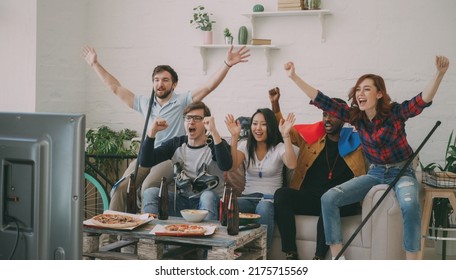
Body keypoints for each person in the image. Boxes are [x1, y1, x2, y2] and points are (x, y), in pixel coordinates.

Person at [284, 56, 450, 260]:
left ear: (380, 93)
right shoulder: (357, 117)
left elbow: (421, 100)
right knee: (328, 198)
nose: (360, 93)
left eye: (367, 89)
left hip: (402, 172)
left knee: (410, 205)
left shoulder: (395, 114)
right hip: (376, 172)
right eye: (358, 89)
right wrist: (294, 77)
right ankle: (338, 259)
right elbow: (323, 100)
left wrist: (439, 74)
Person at [82, 45, 250, 212]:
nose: (160, 84)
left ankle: (145, 233)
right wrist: (95, 64)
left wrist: (226, 64)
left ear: (174, 84)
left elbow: (208, 87)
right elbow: (116, 88)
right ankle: (109, 237)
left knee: (148, 188)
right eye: (156, 80)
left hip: (168, 158)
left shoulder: (183, 102)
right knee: (119, 189)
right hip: (149, 155)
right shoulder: (145, 104)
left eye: (165, 80)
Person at [269, 87, 367, 260]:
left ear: (344, 118)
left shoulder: (358, 142)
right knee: (282, 195)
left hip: (341, 201)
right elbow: (286, 131)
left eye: (333, 115)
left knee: (328, 201)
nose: (327, 119)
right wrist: (275, 105)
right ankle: (291, 254)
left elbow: (378, 142)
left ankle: (318, 258)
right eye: (325, 115)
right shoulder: (312, 138)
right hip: (311, 197)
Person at [140, 102, 232, 220]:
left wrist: (214, 132)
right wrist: (152, 133)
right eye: (188, 118)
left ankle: (209, 234)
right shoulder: (176, 144)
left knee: (207, 196)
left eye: (197, 118)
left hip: (208, 202)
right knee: (150, 193)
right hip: (181, 202)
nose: (191, 122)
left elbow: (226, 165)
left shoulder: (215, 143)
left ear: (206, 123)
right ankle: (154, 236)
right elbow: (145, 161)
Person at [225, 108, 297, 248]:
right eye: (255, 123)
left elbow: (292, 164)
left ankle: (262, 253)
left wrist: (286, 135)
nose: (258, 128)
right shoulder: (245, 145)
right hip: (248, 197)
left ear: (270, 126)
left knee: (264, 207)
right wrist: (234, 138)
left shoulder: (279, 147)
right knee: (230, 205)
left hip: (269, 199)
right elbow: (232, 166)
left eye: (263, 124)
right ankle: (230, 250)